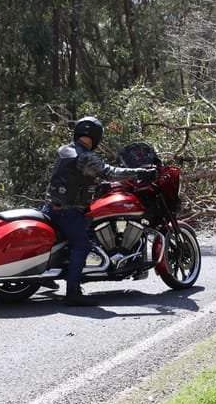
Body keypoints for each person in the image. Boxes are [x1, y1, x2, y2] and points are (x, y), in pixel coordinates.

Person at [42, 116, 156, 306]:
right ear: (96, 136)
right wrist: (140, 172)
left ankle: (48, 273)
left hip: (50, 206)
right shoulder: (86, 156)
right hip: (68, 211)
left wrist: (96, 186)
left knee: (65, 241)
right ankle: (73, 292)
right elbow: (109, 172)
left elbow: (72, 177)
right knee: (82, 246)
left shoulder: (64, 150)